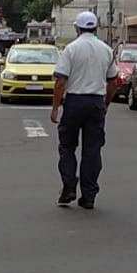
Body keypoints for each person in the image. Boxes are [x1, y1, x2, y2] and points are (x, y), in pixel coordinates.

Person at [50, 11, 119, 210]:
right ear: (96, 27)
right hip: (96, 102)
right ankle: (89, 195)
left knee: (67, 146)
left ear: (77, 29)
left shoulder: (71, 49)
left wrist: (55, 108)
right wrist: (105, 104)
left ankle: (69, 185)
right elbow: (113, 82)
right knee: (92, 150)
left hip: (74, 102)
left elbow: (61, 81)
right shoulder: (106, 50)